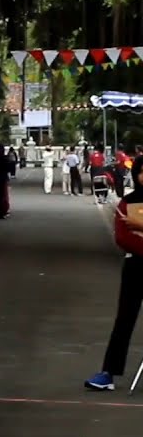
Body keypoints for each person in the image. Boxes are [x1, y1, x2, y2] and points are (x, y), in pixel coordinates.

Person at [85, 157, 143, 392]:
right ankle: (108, 373)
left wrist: (139, 226)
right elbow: (123, 237)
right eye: (142, 172)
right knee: (124, 320)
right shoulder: (127, 202)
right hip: (135, 268)